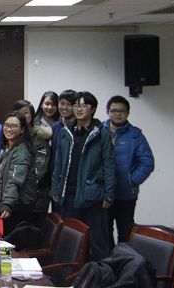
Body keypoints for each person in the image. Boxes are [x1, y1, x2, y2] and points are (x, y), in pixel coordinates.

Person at [50, 91, 116, 261]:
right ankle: (73, 273)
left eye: (84, 105)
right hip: (68, 194)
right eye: (76, 105)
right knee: (71, 240)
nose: (79, 109)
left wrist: (108, 193)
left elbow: (109, 165)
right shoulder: (65, 132)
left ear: (92, 109)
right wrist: (55, 188)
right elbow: (58, 162)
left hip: (92, 195)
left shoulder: (101, 133)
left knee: (97, 240)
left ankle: (100, 273)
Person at [104, 95, 154, 249]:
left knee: (125, 234)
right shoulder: (99, 132)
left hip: (126, 194)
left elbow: (147, 162)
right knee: (104, 233)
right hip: (103, 194)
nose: (118, 114)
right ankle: (106, 263)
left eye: (122, 111)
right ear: (107, 112)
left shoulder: (135, 135)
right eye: (114, 110)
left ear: (127, 113)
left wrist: (131, 181)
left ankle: (124, 262)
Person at [0, 111, 37, 236]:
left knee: (10, 242)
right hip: (7, 203)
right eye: (6, 125)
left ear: (22, 129)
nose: (8, 129)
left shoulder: (21, 152)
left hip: (17, 208)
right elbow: (2, 165)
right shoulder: (9, 146)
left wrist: (7, 204)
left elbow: (14, 180)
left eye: (14, 126)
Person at [13, 100, 52, 228]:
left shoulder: (39, 136)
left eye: (25, 113)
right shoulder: (12, 135)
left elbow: (39, 170)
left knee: (32, 234)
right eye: (18, 113)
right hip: (15, 200)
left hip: (35, 199)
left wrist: (16, 182)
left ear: (32, 116)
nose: (22, 116)